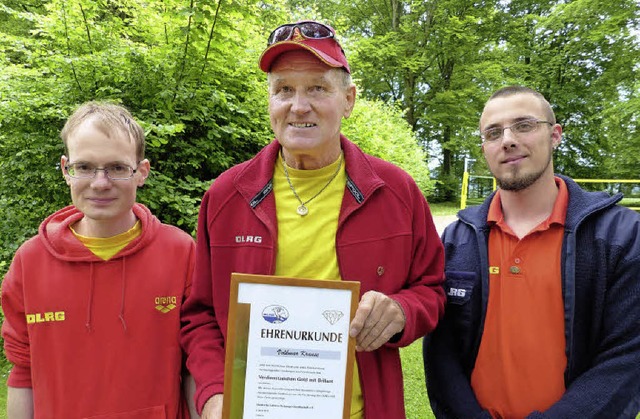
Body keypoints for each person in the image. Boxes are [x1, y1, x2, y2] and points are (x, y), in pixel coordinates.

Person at [180, 20, 445, 419]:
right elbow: (201, 317)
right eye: (284, 89)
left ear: (349, 99)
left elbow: (432, 288)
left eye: (317, 88)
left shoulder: (395, 191)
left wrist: (403, 310)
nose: (298, 105)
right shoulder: (225, 196)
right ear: (270, 100)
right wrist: (216, 393)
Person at [423, 86, 640, 418]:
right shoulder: (457, 240)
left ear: (555, 135)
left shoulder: (619, 236)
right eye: (493, 133)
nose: (508, 139)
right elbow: (442, 353)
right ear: (484, 149)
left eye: (524, 125)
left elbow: (626, 357)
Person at [1, 102, 197, 418]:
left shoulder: (180, 252)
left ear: (141, 172)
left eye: (117, 168)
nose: (100, 182)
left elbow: (195, 368)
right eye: (85, 167)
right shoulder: (30, 262)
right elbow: (23, 373)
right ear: (66, 170)